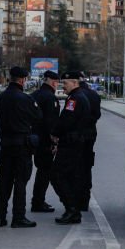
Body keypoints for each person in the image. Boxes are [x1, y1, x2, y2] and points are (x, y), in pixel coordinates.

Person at [0, 66, 42, 228]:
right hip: (22, 146)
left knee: (4, 181)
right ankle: (18, 217)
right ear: (22, 80)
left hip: (6, 145)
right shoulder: (26, 99)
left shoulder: (1, 98)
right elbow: (38, 117)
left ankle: (0, 216)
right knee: (20, 182)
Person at [50, 70, 92, 225]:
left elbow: (67, 120)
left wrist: (54, 133)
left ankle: (72, 209)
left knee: (57, 176)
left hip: (70, 144)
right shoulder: (79, 97)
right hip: (75, 143)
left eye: (66, 83)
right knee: (67, 177)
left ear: (75, 83)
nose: (63, 86)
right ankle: (73, 210)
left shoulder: (75, 99)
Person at [30, 70, 61, 212]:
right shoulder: (50, 98)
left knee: (41, 171)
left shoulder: (34, 95)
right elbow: (51, 123)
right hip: (45, 141)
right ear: (53, 82)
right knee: (44, 172)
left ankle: (38, 201)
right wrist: (54, 142)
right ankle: (38, 202)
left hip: (33, 138)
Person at [77, 74, 102, 211]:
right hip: (90, 134)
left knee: (75, 167)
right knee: (86, 166)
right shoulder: (94, 95)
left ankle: (75, 199)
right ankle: (84, 199)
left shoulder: (76, 95)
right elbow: (97, 114)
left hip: (76, 135)